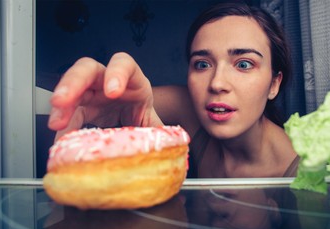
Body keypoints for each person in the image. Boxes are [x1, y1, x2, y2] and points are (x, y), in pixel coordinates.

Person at [47, 2, 299, 178]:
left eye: (244, 64)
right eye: (202, 64)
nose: (217, 83)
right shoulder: (190, 106)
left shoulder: (309, 173)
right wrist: (106, 97)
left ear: (274, 83)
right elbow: (117, 102)